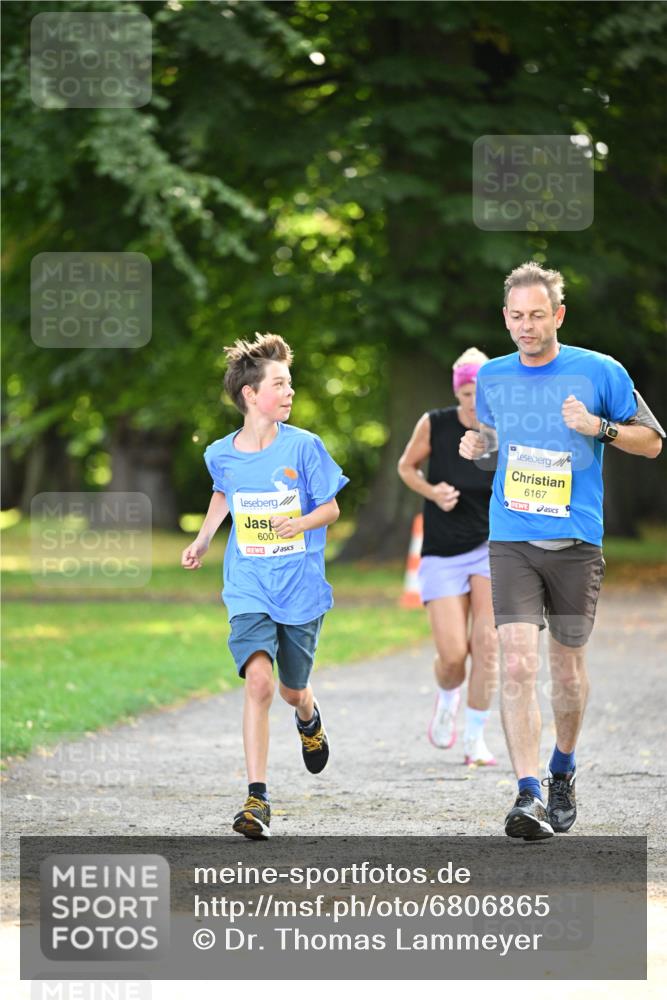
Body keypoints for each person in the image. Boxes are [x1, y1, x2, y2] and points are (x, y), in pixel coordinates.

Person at [459, 262, 664, 841]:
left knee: (567, 671)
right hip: (513, 537)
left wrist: (598, 426)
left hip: (577, 542)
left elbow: (651, 443)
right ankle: (527, 793)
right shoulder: (493, 379)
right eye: (517, 317)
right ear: (505, 317)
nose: (526, 326)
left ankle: (562, 768)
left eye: (537, 316)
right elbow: (496, 452)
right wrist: (479, 446)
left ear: (559, 316)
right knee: (518, 661)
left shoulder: (600, 371)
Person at [181, 333, 348, 840]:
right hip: (248, 582)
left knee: (290, 688)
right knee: (258, 683)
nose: (289, 391)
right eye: (280, 384)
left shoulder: (304, 446)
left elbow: (332, 507)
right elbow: (223, 494)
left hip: (298, 587)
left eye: (290, 383)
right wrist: (205, 538)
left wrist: (300, 523)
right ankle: (257, 798)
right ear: (251, 395)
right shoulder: (221, 453)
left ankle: (308, 715)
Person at [398, 348, 499, 766]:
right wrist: (433, 492)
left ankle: (475, 739)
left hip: (491, 547)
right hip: (441, 551)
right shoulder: (434, 424)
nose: (477, 402)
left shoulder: (500, 429)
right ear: (459, 392)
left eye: (485, 392)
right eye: (471, 392)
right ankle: (446, 698)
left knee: (488, 646)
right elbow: (406, 468)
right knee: (454, 656)